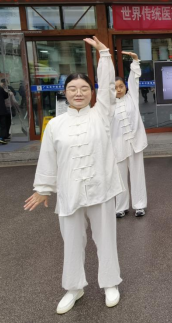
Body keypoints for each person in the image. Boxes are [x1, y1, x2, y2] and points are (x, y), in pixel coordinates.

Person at [24, 36, 124, 314]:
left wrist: (105, 54)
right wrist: (44, 188)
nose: (78, 93)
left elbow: (108, 86)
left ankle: (110, 283)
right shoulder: (55, 125)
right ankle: (74, 287)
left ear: (92, 92)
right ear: (65, 92)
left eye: (84, 88)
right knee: (72, 242)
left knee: (105, 239)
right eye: (72, 88)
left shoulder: (102, 114)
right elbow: (48, 158)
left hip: (101, 188)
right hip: (70, 191)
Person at [112, 51, 149, 218]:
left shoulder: (132, 97)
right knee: (119, 177)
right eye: (115, 87)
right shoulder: (107, 105)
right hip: (117, 145)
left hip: (135, 143)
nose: (119, 89)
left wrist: (135, 61)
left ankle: (139, 205)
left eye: (121, 86)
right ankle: (120, 207)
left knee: (137, 174)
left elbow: (134, 80)